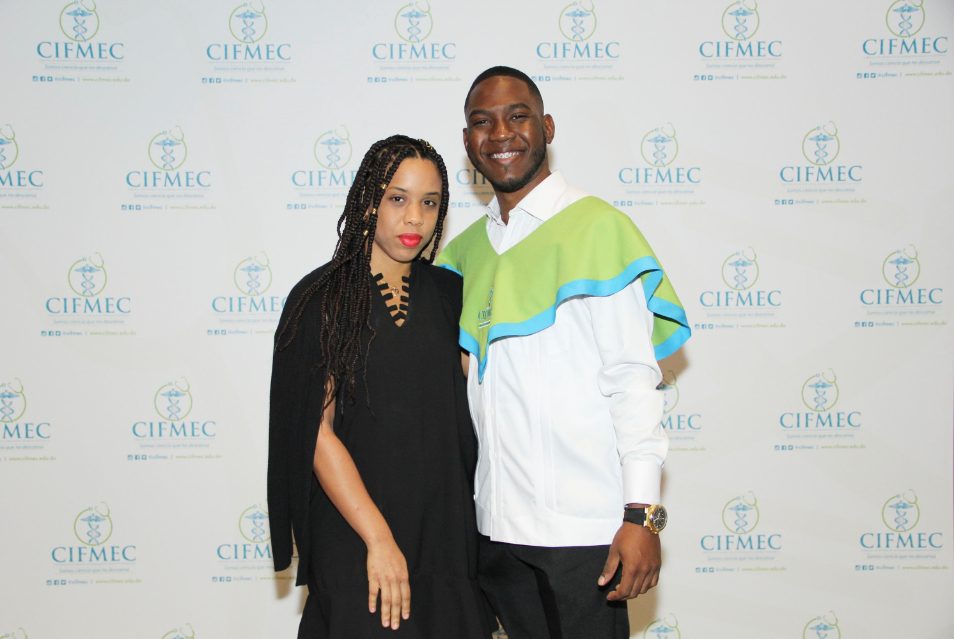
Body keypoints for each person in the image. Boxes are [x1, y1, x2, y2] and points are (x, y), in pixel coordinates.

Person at [436, 67, 692, 639]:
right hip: (494, 533)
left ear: (547, 127)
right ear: (467, 141)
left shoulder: (598, 229)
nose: (501, 133)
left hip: (582, 535)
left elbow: (632, 381)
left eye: (518, 116)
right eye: (482, 122)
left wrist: (642, 516)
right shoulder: (463, 254)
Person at [268, 135, 494, 639]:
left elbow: (491, 402)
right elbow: (315, 434)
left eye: (429, 203)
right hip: (358, 542)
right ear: (369, 201)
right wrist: (378, 538)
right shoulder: (321, 298)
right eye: (398, 198)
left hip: (446, 542)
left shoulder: (453, 295)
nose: (414, 218)